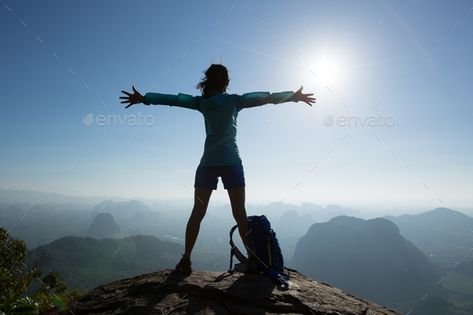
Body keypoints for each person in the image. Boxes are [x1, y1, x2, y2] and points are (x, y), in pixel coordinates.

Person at [120, 64, 315, 275]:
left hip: (208, 164)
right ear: (226, 82)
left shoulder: (201, 103)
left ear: (207, 81)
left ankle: (186, 259)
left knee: (197, 213)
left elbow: (174, 100)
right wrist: (293, 96)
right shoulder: (235, 101)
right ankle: (253, 259)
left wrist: (145, 98)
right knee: (240, 215)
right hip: (232, 162)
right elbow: (266, 97)